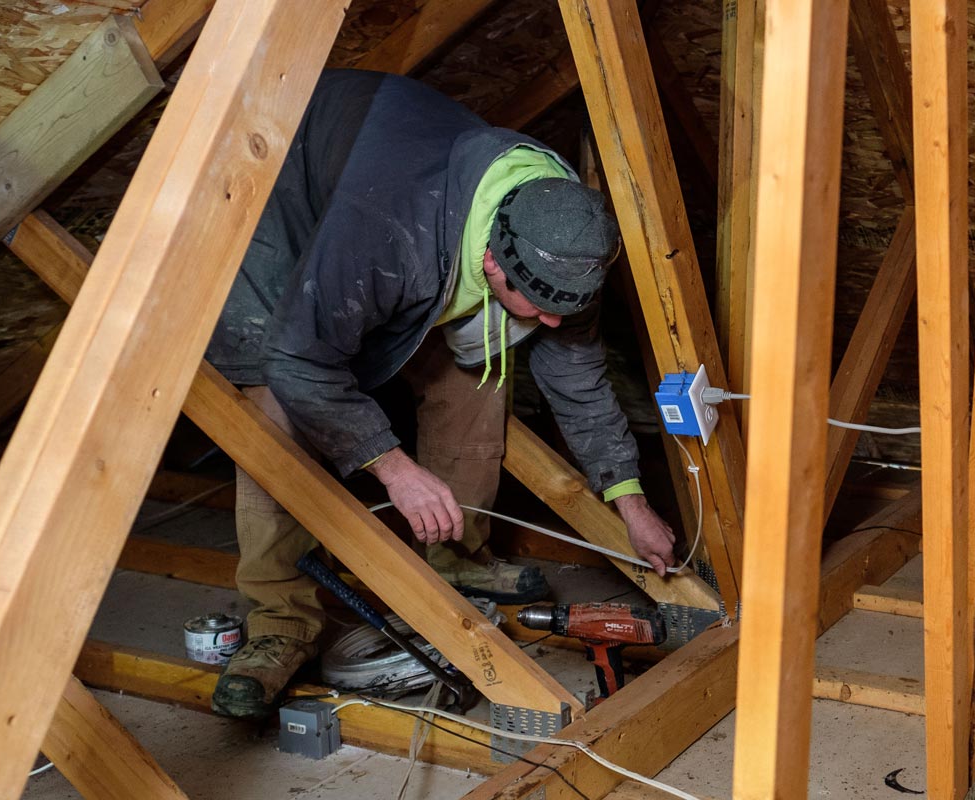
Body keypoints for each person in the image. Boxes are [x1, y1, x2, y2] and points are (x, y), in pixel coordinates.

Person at [203, 69, 678, 718]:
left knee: (482, 364)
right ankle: (279, 626)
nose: (553, 324)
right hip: (279, 182)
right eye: (536, 306)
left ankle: (454, 556)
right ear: (490, 264)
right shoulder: (387, 235)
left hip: (400, 200)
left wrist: (630, 498)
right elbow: (300, 361)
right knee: (275, 411)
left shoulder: (562, 234)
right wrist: (392, 467)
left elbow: (578, 378)